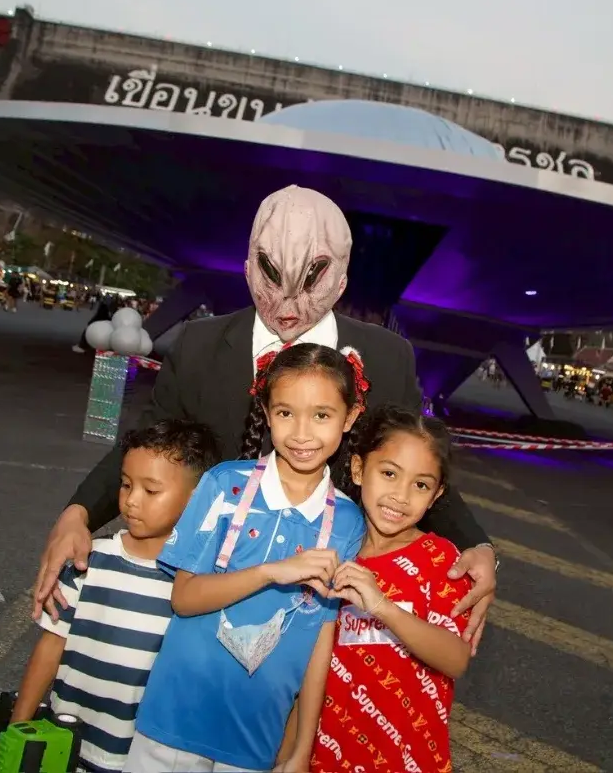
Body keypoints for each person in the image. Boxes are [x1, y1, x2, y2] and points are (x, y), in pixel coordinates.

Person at [34, 186, 498, 650]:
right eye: (272, 279)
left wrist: (477, 546)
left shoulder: (387, 358)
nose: (288, 307)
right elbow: (148, 443)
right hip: (200, 588)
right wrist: (79, 513)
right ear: (248, 269)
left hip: (321, 609)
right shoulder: (199, 346)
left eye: (310, 284)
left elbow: (418, 464)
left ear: (341, 282)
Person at [123, 343, 368, 772]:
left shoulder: (348, 522)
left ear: (349, 417)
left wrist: (301, 747)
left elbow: (320, 643)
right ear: (267, 412)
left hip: (257, 735)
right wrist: (271, 572)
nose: (302, 433)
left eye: (322, 415)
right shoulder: (224, 485)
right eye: (286, 412)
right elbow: (184, 598)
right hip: (174, 717)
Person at [11, 419, 221, 773]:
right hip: (65, 742)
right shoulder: (89, 561)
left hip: (138, 757)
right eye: (125, 484)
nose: (131, 501)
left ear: (197, 499)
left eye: (151, 490)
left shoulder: (195, 586)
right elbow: (51, 646)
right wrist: (19, 724)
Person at [307, 405, 472, 773]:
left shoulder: (440, 559)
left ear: (436, 494)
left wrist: (383, 607)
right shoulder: (332, 550)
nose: (401, 496)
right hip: (328, 756)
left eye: (420, 485)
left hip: (410, 759)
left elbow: (456, 658)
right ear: (358, 469)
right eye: (389, 473)